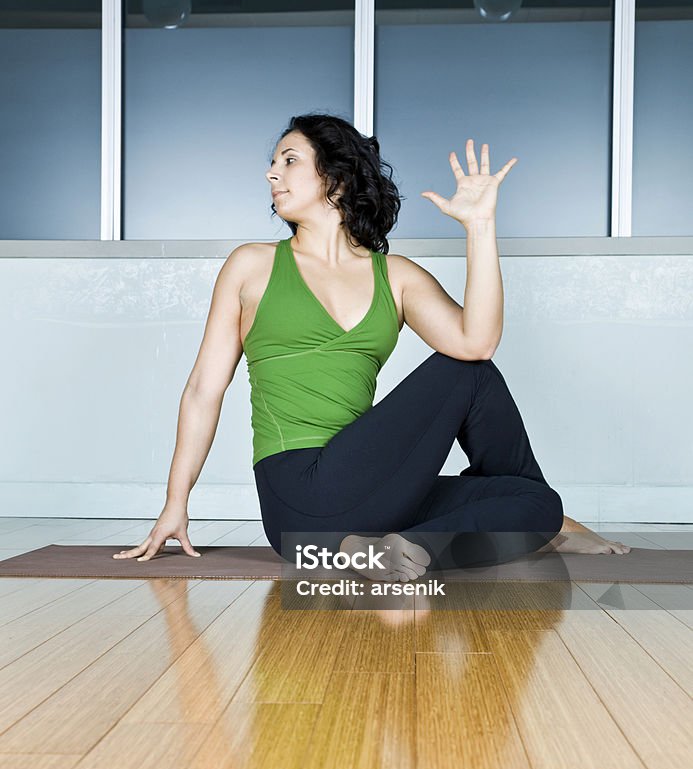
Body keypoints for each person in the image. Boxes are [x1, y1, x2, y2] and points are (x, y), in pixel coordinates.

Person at [113, 113, 630, 581]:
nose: (273, 174)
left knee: (535, 504)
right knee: (467, 374)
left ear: (335, 179)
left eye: (290, 161)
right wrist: (175, 503)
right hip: (299, 493)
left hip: (368, 499)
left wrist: (480, 227)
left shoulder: (396, 276)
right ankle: (395, 544)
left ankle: (396, 551)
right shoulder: (253, 265)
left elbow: (479, 338)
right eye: (273, 164)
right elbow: (204, 389)